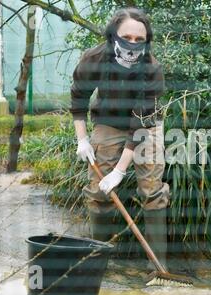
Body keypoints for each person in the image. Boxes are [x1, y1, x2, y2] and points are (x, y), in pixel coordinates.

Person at [69, 7, 169, 271]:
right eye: (127, 37)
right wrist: (82, 139)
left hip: (146, 126)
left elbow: (140, 125)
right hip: (108, 122)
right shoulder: (94, 59)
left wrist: (120, 171)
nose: (132, 44)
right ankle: (97, 262)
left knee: (152, 190)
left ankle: (158, 267)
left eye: (139, 40)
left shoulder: (151, 69)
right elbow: (78, 97)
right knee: (98, 189)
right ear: (113, 35)